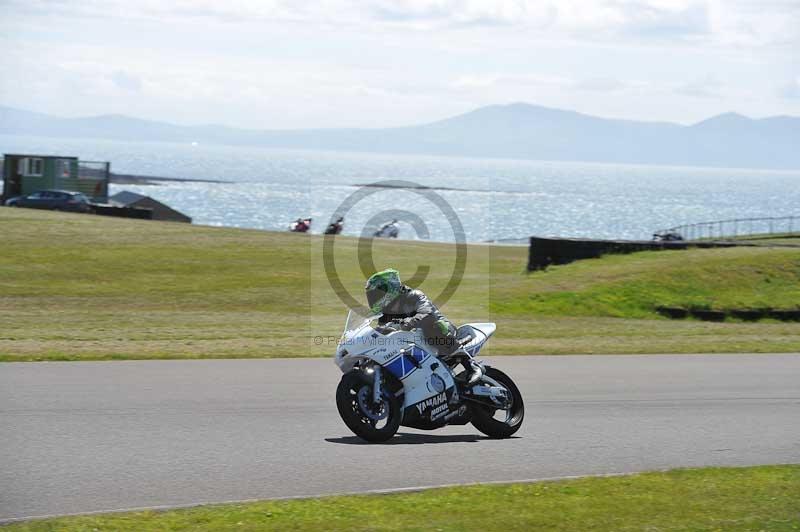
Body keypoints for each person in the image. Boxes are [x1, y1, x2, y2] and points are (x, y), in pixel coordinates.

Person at [364, 268, 479, 382]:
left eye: (377, 294)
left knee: (431, 326)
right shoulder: (386, 311)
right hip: (413, 344)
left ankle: (471, 365)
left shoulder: (414, 296)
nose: (374, 299)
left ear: (389, 288)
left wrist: (404, 324)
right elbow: (380, 330)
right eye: (372, 295)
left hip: (442, 333)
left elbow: (427, 314)